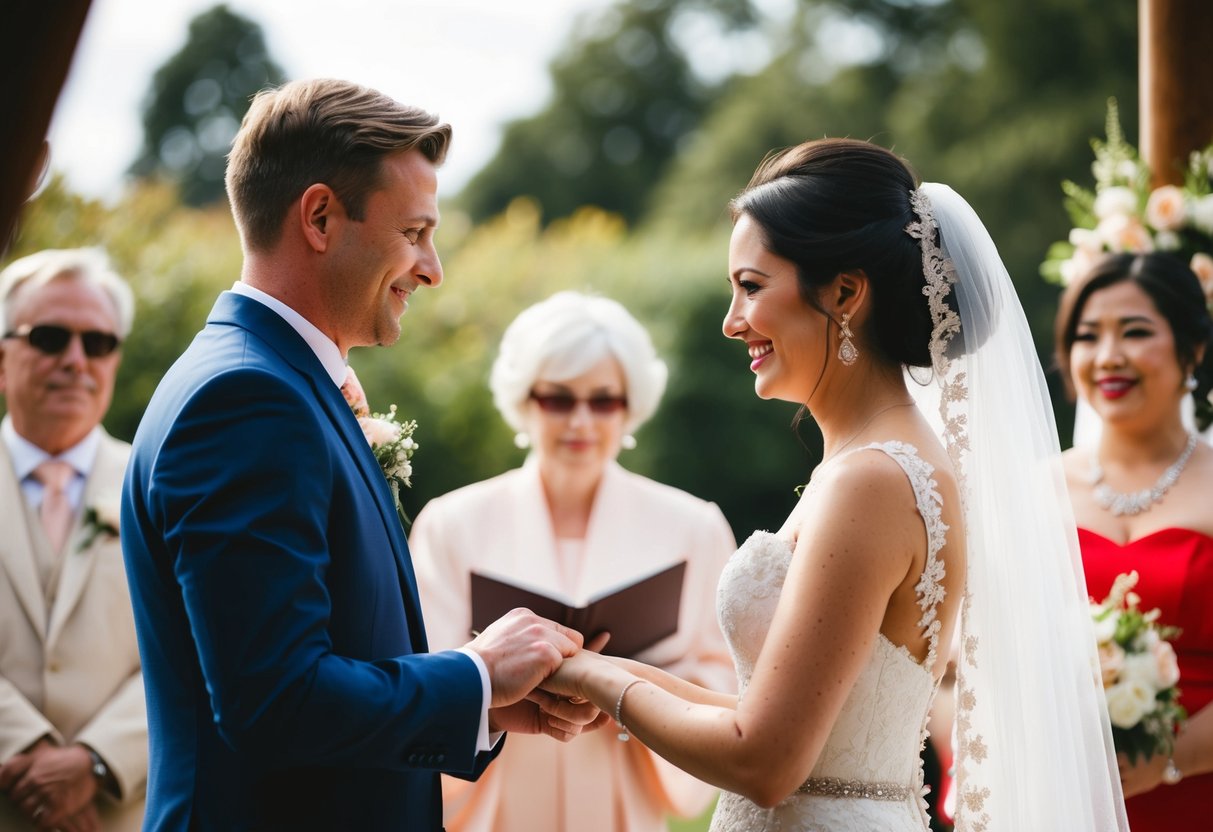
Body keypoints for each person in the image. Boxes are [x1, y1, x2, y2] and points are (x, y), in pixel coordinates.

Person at [538, 138, 1129, 831]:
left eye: (751, 287)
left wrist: (595, 681)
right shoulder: (868, 464)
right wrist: (584, 666)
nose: (731, 321)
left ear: (844, 292)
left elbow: (764, 761)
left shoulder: (872, 481)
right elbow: (776, 717)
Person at [120, 79, 601, 832]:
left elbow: (327, 650)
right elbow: (274, 701)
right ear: (318, 218)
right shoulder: (247, 399)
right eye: (414, 233)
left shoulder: (279, 381)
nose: (433, 268)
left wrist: (483, 703)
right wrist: (474, 673)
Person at [411, 290, 737, 832]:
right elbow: (425, 667)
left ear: (629, 405)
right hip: (497, 798)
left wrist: (624, 691)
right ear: (525, 401)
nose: (581, 420)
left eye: (603, 400)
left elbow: (722, 683)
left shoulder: (694, 527)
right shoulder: (451, 523)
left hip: (622, 796)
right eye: (558, 399)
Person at [1055, 251, 1213, 832]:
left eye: (1136, 332)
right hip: (1065, 801)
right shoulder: (1031, 492)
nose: (1107, 357)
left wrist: (1169, 760)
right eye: (1087, 336)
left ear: (1192, 349)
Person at [0, 248, 147, 831]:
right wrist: (28, 751)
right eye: (51, 337)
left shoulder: (164, 488)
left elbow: (203, 644)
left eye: (98, 343)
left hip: (119, 813)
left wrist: (94, 763)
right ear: (2, 358)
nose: (76, 360)